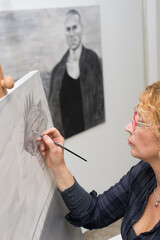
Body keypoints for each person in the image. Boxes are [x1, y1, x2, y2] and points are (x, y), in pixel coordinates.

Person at [38, 81, 160, 239]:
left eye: (140, 122)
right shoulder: (143, 173)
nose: (128, 127)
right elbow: (95, 214)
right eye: (133, 117)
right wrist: (58, 165)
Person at [48, 9, 105, 138]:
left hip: (94, 137)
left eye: (75, 27)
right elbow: (52, 113)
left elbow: (100, 106)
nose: (72, 33)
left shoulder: (92, 61)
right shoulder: (57, 71)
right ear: (65, 32)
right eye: (68, 29)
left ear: (81, 28)